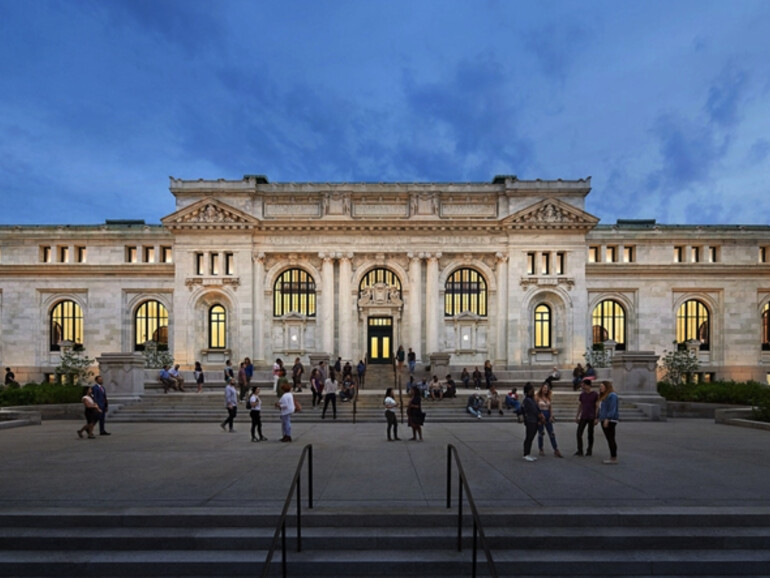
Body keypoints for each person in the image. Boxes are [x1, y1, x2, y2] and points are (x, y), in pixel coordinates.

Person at [536, 383, 563, 457]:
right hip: (541, 415)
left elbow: (550, 407)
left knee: (551, 433)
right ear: (541, 388)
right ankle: (541, 449)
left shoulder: (548, 398)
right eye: (544, 388)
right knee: (541, 433)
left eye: (547, 388)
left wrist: (551, 415)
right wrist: (539, 417)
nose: (545, 389)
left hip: (547, 414)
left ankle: (556, 449)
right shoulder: (537, 397)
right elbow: (536, 408)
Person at [575, 379, 599, 456]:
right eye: (582, 385)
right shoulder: (582, 394)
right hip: (584, 416)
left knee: (590, 434)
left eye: (584, 385)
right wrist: (577, 415)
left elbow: (597, 406)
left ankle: (589, 450)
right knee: (579, 433)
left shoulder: (595, 394)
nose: (582, 386)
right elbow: (580, 405)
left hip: (591, 416)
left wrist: (596, 417)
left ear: (588, 385)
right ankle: (580, 450)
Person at [598, 380, 619, 464]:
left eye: (602, 386)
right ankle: (612, 456)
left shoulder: (612, 395)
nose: (600, 388)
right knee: (609, 438)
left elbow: (612, 408)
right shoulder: (605, 396)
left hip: (610, 420)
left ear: (607, 387)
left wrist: (607, 419)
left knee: (611, 438)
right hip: (604, 418)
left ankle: (613, 458)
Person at [521, 383, 543, 461]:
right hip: (530, 420)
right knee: (529, 437)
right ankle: (526, 453)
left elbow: (537, 408)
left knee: (531, 437)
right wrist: (540, 415)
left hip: (534, 420)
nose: (533, 391)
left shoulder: (532, 399)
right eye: (531, 390)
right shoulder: (527, 400)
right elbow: (534, 410)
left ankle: (528, 453)